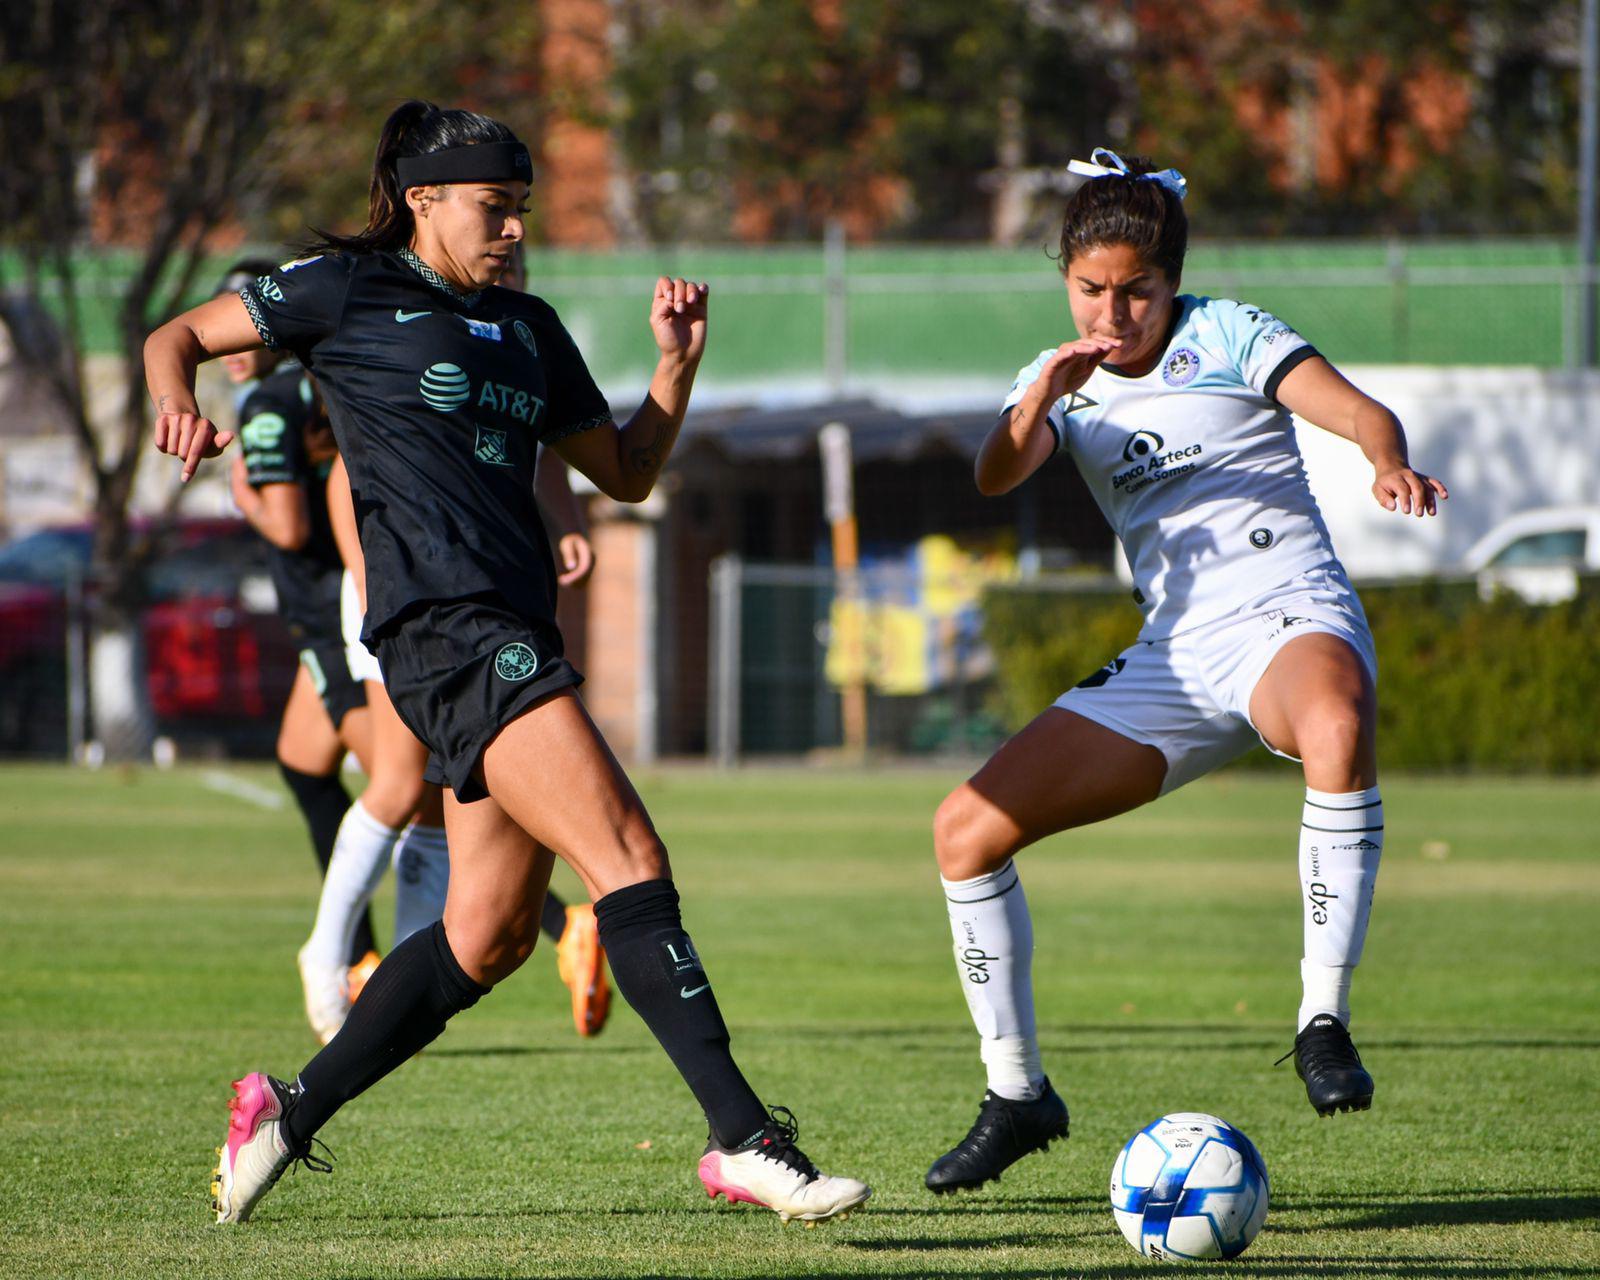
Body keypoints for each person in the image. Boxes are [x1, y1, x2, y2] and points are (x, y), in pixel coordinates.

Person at [144, 98, 869, 1227]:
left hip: (513, 624)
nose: (514, 229)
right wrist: (174, 405)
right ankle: (747, 1137)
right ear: (423, 200)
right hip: (446, 630)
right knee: (628, 853)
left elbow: (626, 470)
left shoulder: (529, 329)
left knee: (485, 937)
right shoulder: (341, 290)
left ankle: (284, 1111)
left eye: (523, 210)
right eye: (495, 207)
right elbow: (172, 337)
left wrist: (675, 369)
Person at [922, 148, 1448, 1195]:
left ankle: (1320, 1020)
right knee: (962, 830)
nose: (1112, 313)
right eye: (1089, 290)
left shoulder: (1228, 331)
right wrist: (1041, 399)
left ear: (1169, 280)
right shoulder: (1060, 378)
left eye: (1135, 291)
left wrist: (1385, 461)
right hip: (1176, 651)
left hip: (1288, 611)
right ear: (1065, 280)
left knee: (1335, 729)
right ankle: (1016, 1091)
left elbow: (1355, 412)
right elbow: (992, 472)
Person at [299, 445, 609, 1043]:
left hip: (482, 587)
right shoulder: (414, 353)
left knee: (435, 791)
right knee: (396, 783)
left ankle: (401, 998)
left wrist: (567, 521)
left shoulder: (527, 348)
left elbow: (547, 436)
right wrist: (369, 581)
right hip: (400, 583)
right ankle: (325, 955)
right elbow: (348, 466)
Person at [219, 259, 381, 985]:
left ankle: (562, 921)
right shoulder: (327, 385)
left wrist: (242, 494)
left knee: (407, 789)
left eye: (236, 321)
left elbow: (285, 526)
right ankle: (361, 955)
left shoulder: (266, 406)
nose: (227, 342)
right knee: (305, 767)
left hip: (328, 614)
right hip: (337, 602)